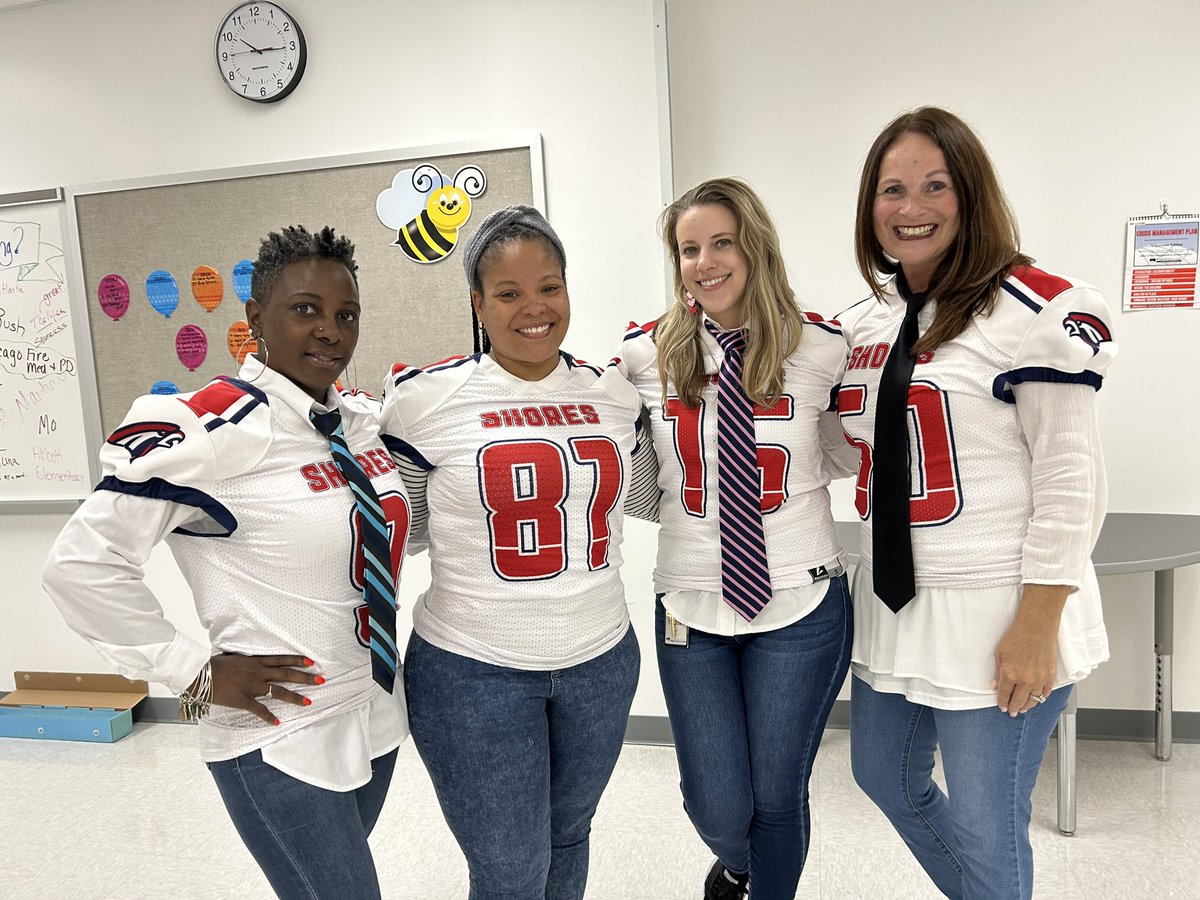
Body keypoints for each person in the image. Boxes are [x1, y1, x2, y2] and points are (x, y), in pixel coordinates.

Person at [42, 226, 409, 900]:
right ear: (255, 318)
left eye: (346, 314)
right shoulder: (211, 429)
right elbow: (78, 567)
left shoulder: (359, 423)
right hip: (276, 730)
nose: (330, 331)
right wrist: (194, 675)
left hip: (375, 712)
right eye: (305, 309)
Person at [838, 107, 1117, 899]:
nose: (911, 206)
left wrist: (1037, 624)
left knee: (989, 829)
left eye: (936, 185)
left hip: (1000, 610)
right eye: (892, 189)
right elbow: (843, 444)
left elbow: (1071, 478)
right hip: (898, 609)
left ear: (971, 193)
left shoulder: (1036, 310)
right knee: (885, 777)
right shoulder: (865, 323)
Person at [380, 205, 652, 900]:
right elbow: (404, 532)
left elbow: (654, 498)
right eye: (509, 293)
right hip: (474, 672)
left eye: (549, 287)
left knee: (569, 835)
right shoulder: (423, 402)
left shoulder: (612, 395)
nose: (535, 308)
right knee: (509, 871)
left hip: (600, 661)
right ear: (477, 303)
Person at [618, 178, 857, 900]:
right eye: (688, 248)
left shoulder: (821, 346)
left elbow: (841, 452)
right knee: (715, 802)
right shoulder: (644, 354)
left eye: (722, 242)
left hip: (800, 598)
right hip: (691, 601)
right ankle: (737, 865)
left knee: (778, 796)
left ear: (755, 246)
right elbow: (639, 482)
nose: (705, 262)